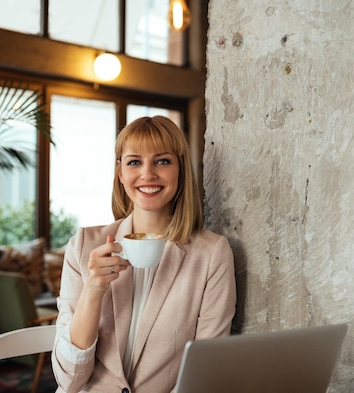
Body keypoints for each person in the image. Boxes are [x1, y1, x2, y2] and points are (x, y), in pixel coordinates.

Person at [52, 116, 236, 393]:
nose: (147, 174)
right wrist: (93, 290)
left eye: (162, 161)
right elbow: (68, 379)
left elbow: (206, 370)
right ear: (120, 173)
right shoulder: (83, 245)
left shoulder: (211, 254)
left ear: (180, 169)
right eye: (134, 162)